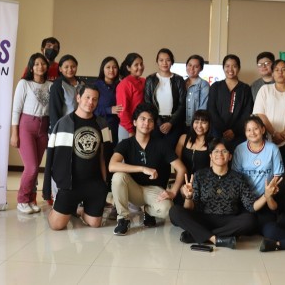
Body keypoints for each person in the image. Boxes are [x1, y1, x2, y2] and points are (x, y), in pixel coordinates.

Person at [169, 138, 274, 249]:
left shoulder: (238, 178)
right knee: (174, 211)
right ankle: (215, 239)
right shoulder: (199, 175)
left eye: (224, 151)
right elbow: (189, 208)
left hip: (228, 220)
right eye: (216, 151)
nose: (220, 154)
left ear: (230, 156)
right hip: (203, 218)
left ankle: (197, 235)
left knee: (250, 220)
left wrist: (266, 196)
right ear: (210, 156)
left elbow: (251, 206)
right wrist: (188, 197)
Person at [109, 103, 187, 236]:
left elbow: (181, 169)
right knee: (118, 176)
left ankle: (148, 211)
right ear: (134, 122)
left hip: (154, 190)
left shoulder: (162, 145)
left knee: (167, 209)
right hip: (133, 188)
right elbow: (112, 165)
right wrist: (142, 168)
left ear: (154, 124)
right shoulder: (126, 144)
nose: (146, 123)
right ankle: (123, 219)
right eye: (143, 119)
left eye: (150, 120)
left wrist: (173, 192)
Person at [42, 84, 113, 230]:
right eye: (87, 97)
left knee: (95, 224)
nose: (90, 102)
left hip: (94, 183)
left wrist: (105, 183)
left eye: (94, 99)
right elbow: (52, 157)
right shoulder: (63, 123)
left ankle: (80, 211)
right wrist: (52, 185)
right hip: (70, 184)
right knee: (56, 226)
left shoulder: (102, 124)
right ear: (78, 98)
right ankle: (60, 209)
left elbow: (104, 156)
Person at [10, 53, 52, 214]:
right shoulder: (24, 84)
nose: (40, 66)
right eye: (36, 64)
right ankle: (22, 200)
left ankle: (31, 199)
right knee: (32, 167)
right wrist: (14, 133)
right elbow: (16, 110)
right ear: (31, 67)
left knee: (36, 166)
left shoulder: (50, 85)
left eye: (43, 64)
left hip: (44, 127)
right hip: (27, 125)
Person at [232, 115, 284, 231]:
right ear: (245, 133)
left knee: (268, 228)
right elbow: (235, 176)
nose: (252, 133)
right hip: (245, 198)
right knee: (246, 225)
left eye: (255, 128)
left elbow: (277, 175)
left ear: (263, 129)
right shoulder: (239, 149)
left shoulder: (273, 148)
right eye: (248, 130)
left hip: (266, 197)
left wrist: (268, 191)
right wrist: (245, 197)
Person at [253, 59, 285, 168]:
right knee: (268, 169)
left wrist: (283, 134)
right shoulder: (265, 89)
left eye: (283, 69)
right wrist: (274, 133)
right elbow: (260, 114)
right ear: (272, 73)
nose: (280, 72)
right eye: (276, 70)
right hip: (267, 137)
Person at [208, 54, 253, 152]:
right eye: (227, 66)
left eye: (234, 66)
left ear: (239, 68)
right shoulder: (216, 87)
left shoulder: (245, 88)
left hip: (238, 134)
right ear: (223, 68)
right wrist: (223, 130)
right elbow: (211, 109)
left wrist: (234, 131)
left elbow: (247, 112)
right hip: (217, 133)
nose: (231, 69)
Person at [144, 48, 186, 145]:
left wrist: (170, 123)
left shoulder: (179, 80)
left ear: (172, 62)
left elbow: (182, 104)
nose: (164, 63)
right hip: (155, 122)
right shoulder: (150, 79)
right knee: (155, 151)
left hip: (174, 123)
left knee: (171, 152)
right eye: (161, 60)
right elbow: (148, 102)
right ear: (157, 62)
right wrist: (158, 122)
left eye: (168, 60)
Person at [175, 109, 212, 204]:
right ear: (192, 123)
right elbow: (176, 164)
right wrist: (182, 185)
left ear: (209, 124)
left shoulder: (213, 143)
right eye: (196, 122)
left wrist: (196, 187)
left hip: (203, 186)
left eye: (203, 122)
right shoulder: (183, 138)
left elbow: (213, 171)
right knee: (178, 210)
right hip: (183, 183)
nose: (199, 126)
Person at [48, 54, 84, 133]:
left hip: (80, 125)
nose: (70, 69)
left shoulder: (82, 84)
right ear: (60, 69)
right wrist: (56, 132)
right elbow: (54, 111)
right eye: (66, 67)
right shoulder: (57, 85)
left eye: (73, 66)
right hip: (64, 127)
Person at [94, 56, 122, 150]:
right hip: (102, 125)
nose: (111, 70)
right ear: (103, 69)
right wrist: (109, 110)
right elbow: (92, 108)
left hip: (119, 126)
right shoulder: (96, 86)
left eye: (114, 67)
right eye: (108, 67)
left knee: (116, 152)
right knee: (104, 152)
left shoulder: (120, 85)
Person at [116, 53, 145, 141]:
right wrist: (131, 130)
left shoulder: (144, 81)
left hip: (141, 126)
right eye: (136, 65)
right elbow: (122, 111)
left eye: (141, 64)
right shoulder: (124, 84)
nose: (140, 67)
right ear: (129, 68)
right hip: (127, 128)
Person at [184, 54, 209, 131]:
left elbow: (203, 108)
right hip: (180, 124)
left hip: (195, 126)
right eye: (189, 65)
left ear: (201, 69)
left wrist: (197, 125)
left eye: (196, 66)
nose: (192, 68)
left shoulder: (204, 84)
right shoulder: (181, 83)